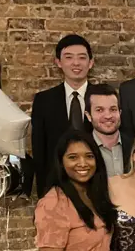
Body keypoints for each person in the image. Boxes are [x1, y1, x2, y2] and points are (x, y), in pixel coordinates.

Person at [32, 34, 94, 197]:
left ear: (91, 62)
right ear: (58, 62)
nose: (76, 63)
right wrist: (43, 195)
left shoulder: (103, 98)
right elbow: (40, 151)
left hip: (97, 184)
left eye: (82, 57)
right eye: (68, 57)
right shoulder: (43, 100)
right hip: (57, 187)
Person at [84, 83, 133, 177]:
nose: (108, 116)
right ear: (88, 116)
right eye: (99, 110)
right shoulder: (81, 148)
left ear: (120, 112)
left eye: (113, 109)